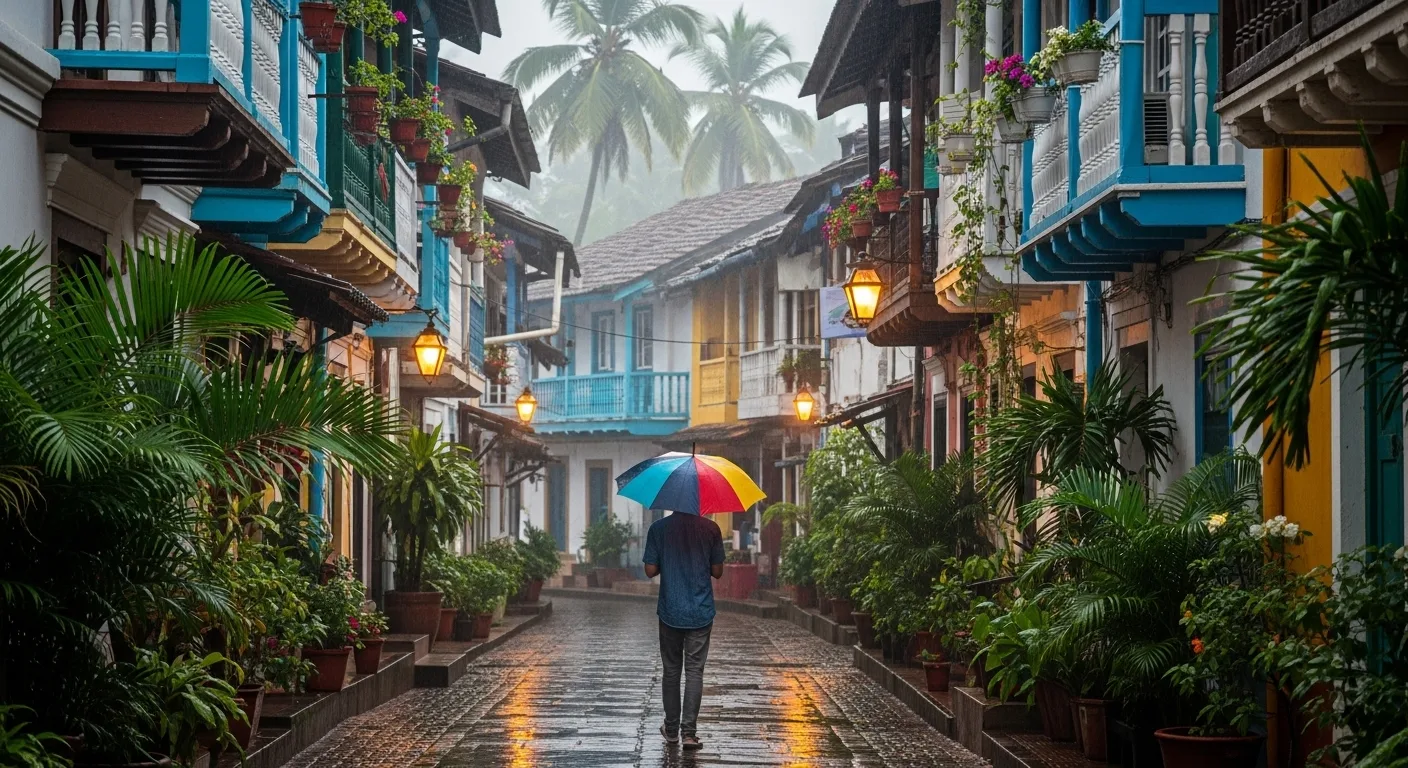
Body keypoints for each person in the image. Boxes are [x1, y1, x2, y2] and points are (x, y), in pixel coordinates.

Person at [642, 508, 724, 751]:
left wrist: (666, 560)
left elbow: (649, 570)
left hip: (670, 610)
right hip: (700, 611)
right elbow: (718, 572)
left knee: (671, 671)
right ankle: (689, 734)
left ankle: (671, 729)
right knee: (695, 671)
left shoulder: (659, 529)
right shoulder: (711, 529)